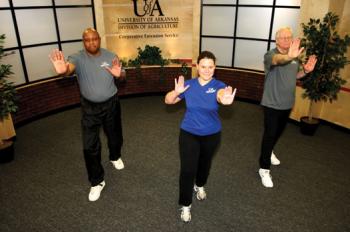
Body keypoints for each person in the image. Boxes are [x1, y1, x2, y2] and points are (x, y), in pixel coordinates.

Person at [49, 28, 125, 201]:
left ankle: (115, 156)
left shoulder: (110, 55)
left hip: (111, 104)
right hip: (90, 108)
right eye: (87, 40)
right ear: (84, 42)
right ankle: (97, 181)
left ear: (99, 39)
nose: (91, 42)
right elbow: (69, 68)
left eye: (94, 39)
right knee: (89, 146)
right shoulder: (77, 57)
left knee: (115, 137)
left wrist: (120, 75)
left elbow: (122, 75)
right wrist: (63, 71)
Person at [165, 51, 237, 222]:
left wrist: (224, 99)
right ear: (197, 66)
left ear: (215, 67)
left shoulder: (219, 85)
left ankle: (200, 185)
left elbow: (221, 96)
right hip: (189, 133)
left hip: (211, 135)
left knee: (204, 165)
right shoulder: (188, 85)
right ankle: (185, 204)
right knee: (188, 169)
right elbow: (168, 101)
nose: (206, 70)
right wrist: (176, 92)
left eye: (210, 67)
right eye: (203, 66)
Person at [258, 27, 317, 188]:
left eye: (288, 37)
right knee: (270, 134)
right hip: (271, 103)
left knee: (278, 132)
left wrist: (305, 70)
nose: (286, 40)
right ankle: (264, 168)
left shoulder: (295, 57)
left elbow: (295, 75)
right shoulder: (270, 55)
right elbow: (278, 60)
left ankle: (268, 151)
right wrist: (289, 56)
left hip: (287, 103)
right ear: (276, 40)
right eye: (282, 37)